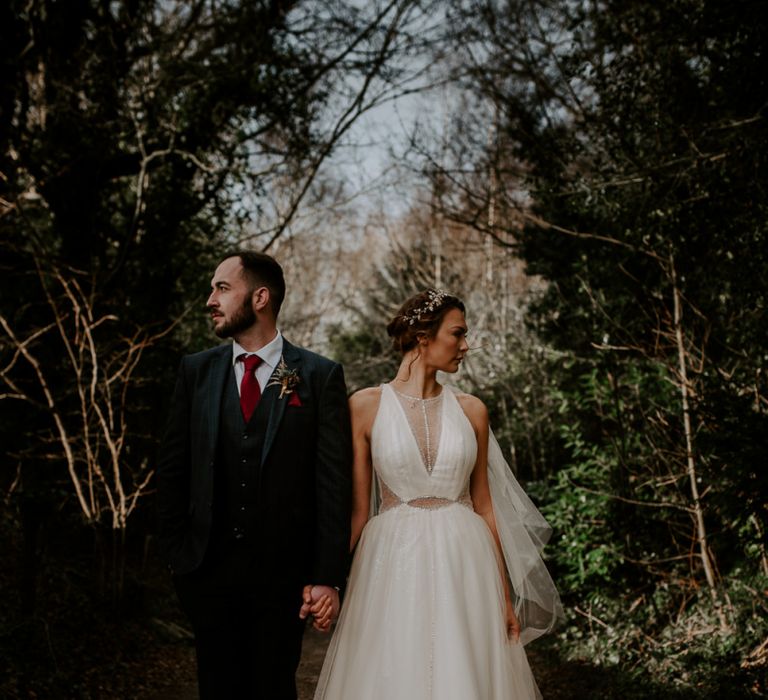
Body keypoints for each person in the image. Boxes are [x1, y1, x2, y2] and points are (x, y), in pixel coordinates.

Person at [314, 289, 563, 700]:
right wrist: (326, 581)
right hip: (391, 565)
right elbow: (357, 513)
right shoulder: (364, 406)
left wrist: (504, 598)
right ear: (422, 335)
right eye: (458, 333)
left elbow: (484, 507)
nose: (466, 346)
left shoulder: (472, 411)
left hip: (468, 567)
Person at [156, 251, 352, 699]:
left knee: (273, 688)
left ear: (260, 297)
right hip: (206, 574)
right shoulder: (196, 371)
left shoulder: (319, 377)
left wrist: (327, 576)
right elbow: (172, 471)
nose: (210, 299)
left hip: (283, 583)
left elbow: (333, 485)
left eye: (222, 288)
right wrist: (177, 558)